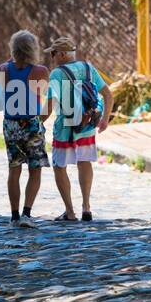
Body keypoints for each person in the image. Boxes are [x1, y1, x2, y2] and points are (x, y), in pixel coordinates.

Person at [40, 36, 112, 222]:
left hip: (66, 128)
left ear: (63, 54)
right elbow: (107, 94)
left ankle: (70, 212)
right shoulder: (88, 68)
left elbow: (49, 107)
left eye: (54, 54)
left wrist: (36, 122)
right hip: (87, 126)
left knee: (59, 166)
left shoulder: (57, 73)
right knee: (84, 162)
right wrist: (104, 120)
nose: (52, 58)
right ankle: (86, 207)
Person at [0, 30, 50, 227]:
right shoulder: (40, 71)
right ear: (33, 49)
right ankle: (27, 213)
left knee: (14, 169)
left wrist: (9, 62)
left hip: (11, 124)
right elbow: (44, 94)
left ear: (13, 49)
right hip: (31, 123)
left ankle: (14, 215)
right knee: (35, 169)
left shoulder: (4, 70)